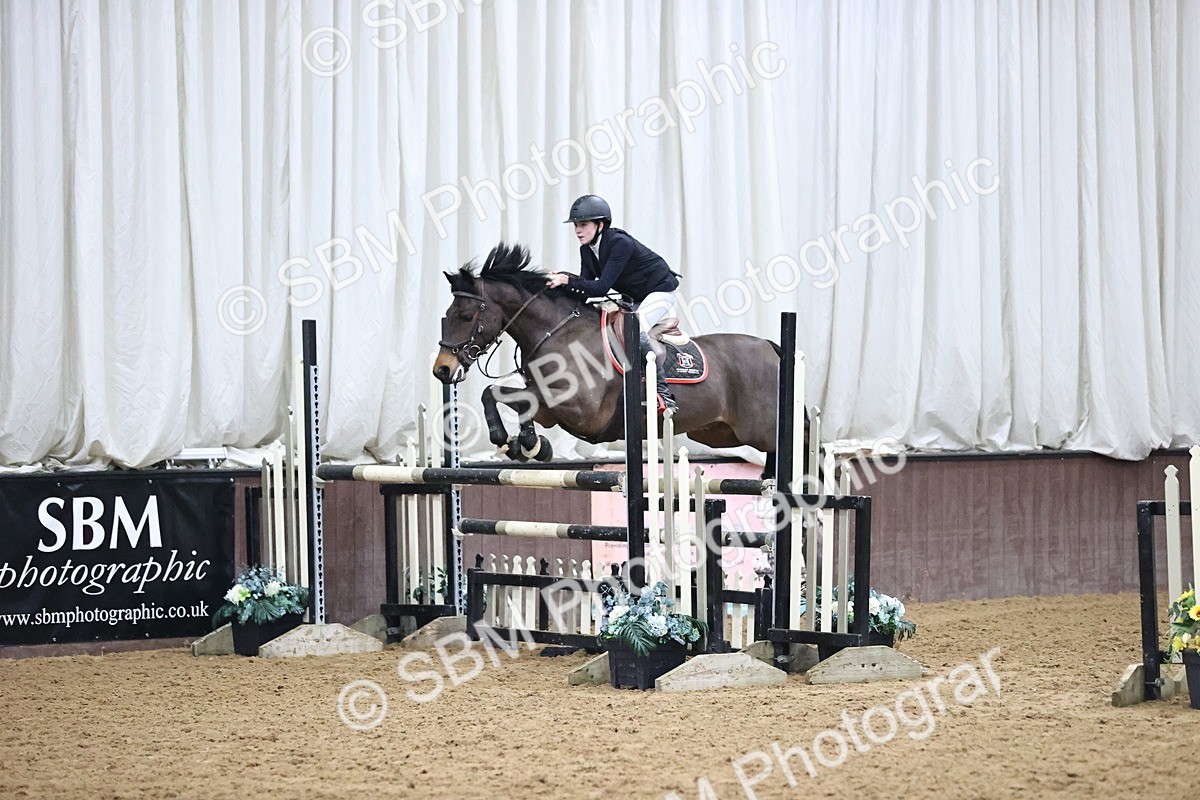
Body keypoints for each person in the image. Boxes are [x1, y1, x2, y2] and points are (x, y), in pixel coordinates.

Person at [545, 194, 680, 411]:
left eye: (583, 225)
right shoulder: (586, 250)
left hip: (659, 291)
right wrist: (559, 283)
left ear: (600, 225)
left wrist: (567, 280)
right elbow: (585, 287)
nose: (578, 230)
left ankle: (663, 393)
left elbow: (601, 288)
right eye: (576, 226)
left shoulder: (620, 243)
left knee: (634, 330)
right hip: (635, 297)